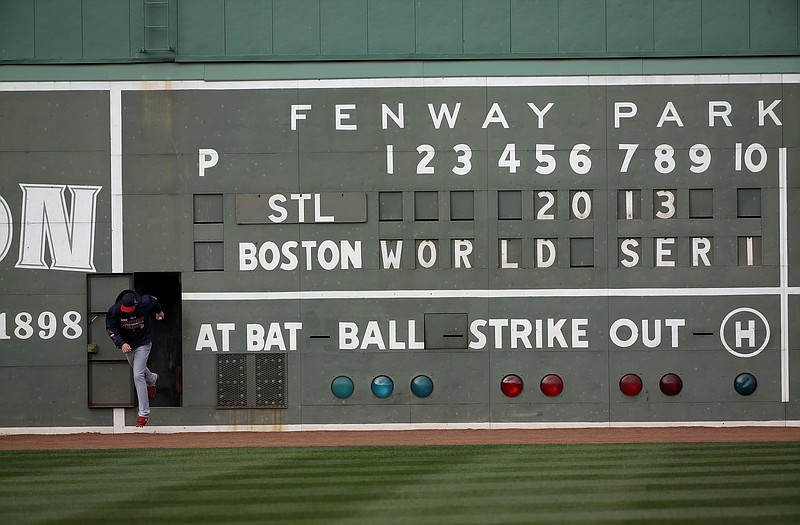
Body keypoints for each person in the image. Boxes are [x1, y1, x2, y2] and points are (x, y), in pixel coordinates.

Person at [106, 290, 165, 427]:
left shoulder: (144, 303)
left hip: (143, 342)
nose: (127, 311)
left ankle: (143, 414)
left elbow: (154, 301)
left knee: (137, 374)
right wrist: (121, 343)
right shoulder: (115, 311)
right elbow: (111, 329)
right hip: (128, 345)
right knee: (138, 368)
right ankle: (152, 379)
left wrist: (159, 312)